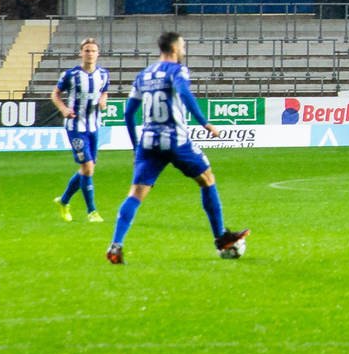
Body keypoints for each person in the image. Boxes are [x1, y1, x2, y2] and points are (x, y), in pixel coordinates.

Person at [106, 31, 249, 264]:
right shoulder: (177, 71)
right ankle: (221, 237)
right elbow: (184, 93)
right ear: (173, 49)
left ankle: (116, 244)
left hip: (148, 142)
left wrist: (136, 146)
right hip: (175, 139)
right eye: (182, 46)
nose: (184, 50)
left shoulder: (143, 75)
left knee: (136, 194)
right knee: (207, 179)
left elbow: (128, 112)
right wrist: (205, 122)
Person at [51, 38, 110, 221]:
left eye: (93, 50)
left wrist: (103, 100)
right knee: (88, 167)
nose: (90, 53)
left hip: (94, 126)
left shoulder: (104, 74)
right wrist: (64, 109)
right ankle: (92, 211)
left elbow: (105, 91)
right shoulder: (71, 75)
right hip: (75, 127)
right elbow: (55, 94)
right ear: (81, 53)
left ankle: (64, 200)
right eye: (86, 50)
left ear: (98, 54)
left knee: (87, 169)